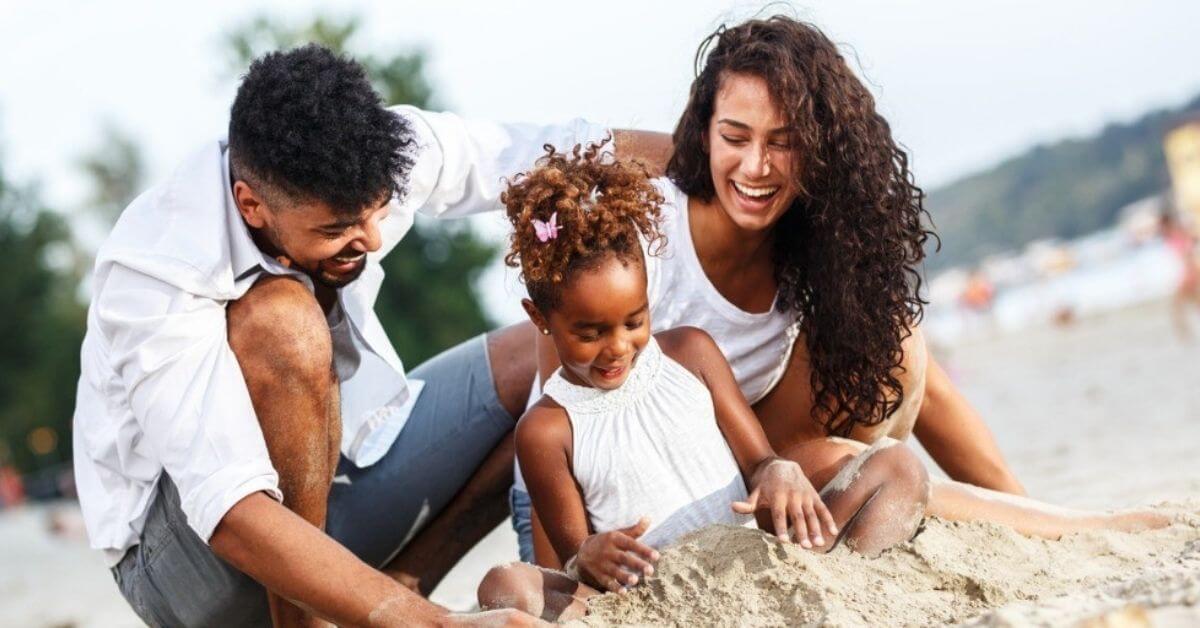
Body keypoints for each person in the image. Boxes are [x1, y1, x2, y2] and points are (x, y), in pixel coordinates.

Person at [511, 16, 1167, 564]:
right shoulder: (629, 245)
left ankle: (1055, 528)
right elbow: (559, 417)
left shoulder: (810, 240)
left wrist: (1031, 512)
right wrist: (564, 571)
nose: (756, 167)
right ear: (702, 133)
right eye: (735, 137)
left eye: (783, 143)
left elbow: (929, 390)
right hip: (592, 503)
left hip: (724, 468)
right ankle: (1067, 527)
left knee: (894, 339)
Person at [72, 45, 667, 627]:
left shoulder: (384, 148)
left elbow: (558, 154)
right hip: (189, 566)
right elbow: (229, 509)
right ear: (250, 205)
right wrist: (436, 625)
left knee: (536, 359)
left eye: (378, 211)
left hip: (331, 495)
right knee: (285, 322)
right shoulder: (155, 268)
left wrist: (712, 152)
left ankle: (395, 589)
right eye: (338, 228)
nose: (372, 239)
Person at [475, 144, 931, 621]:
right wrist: (589, 553)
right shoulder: (546, 430)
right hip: (648, 601)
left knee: (898, 467)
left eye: (634, 321)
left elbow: (759, 462)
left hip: (752, 565)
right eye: (589, 334)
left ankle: (845, 596)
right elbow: (572, 558)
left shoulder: (691, 353)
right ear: (539, 318)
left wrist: (778, 472)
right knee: (504, 583)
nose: (617, 348)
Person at [1162, 210, 1200, 338]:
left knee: (1178, 304)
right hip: (1190, 271)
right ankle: (1184, 333)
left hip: (1190, 272)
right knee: (1193, 303)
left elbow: (1188, 250)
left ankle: (1184, 333)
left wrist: (1190, 272)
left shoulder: (1177, 234)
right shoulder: (1175, 234)